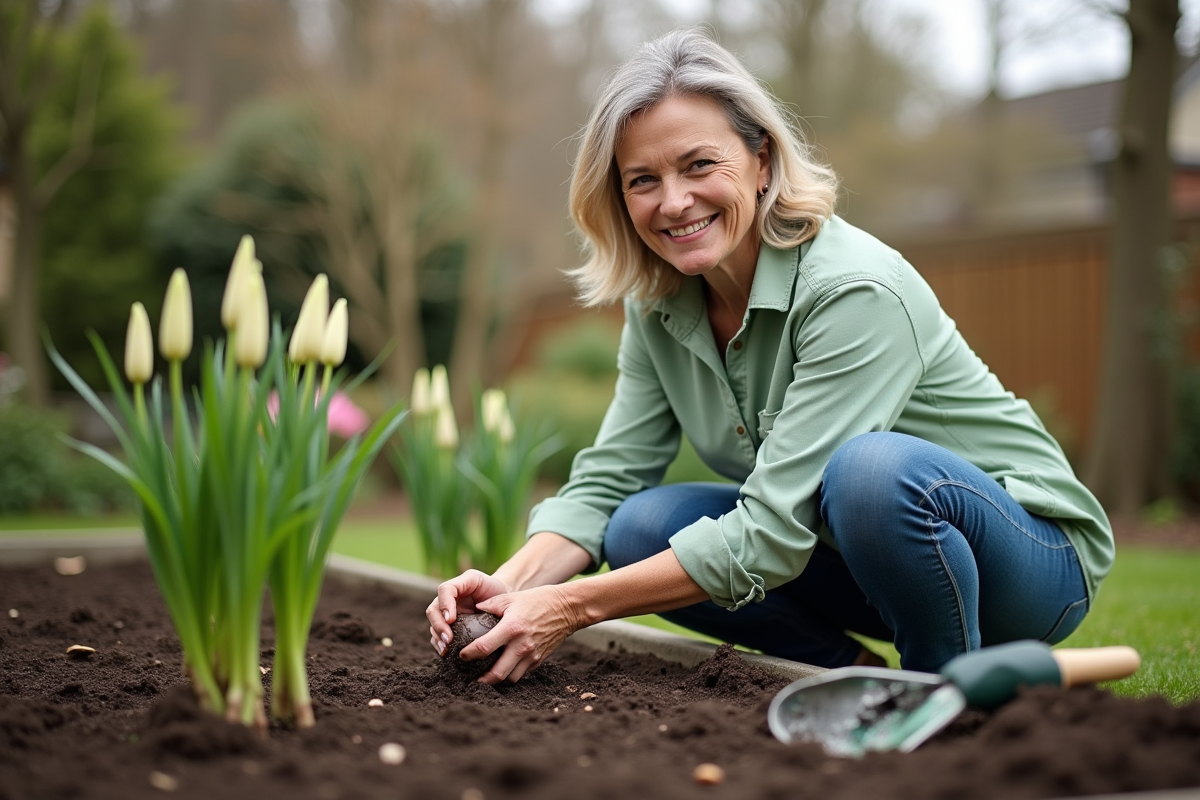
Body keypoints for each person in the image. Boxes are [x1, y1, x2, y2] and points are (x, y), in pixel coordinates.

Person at [426, 28, 1113, 681]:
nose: (674, 202)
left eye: (699, 165)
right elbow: (609, 483)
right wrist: (509, 586)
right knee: (639, 527)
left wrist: (573, 606)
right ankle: (845, 677)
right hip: (864, 560)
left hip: (1027, 564)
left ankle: (939, 688)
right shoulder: (660, 301)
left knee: (870, 474)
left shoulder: (853, 291)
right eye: (642, 180)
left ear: (761, 161)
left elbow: (772, 532)